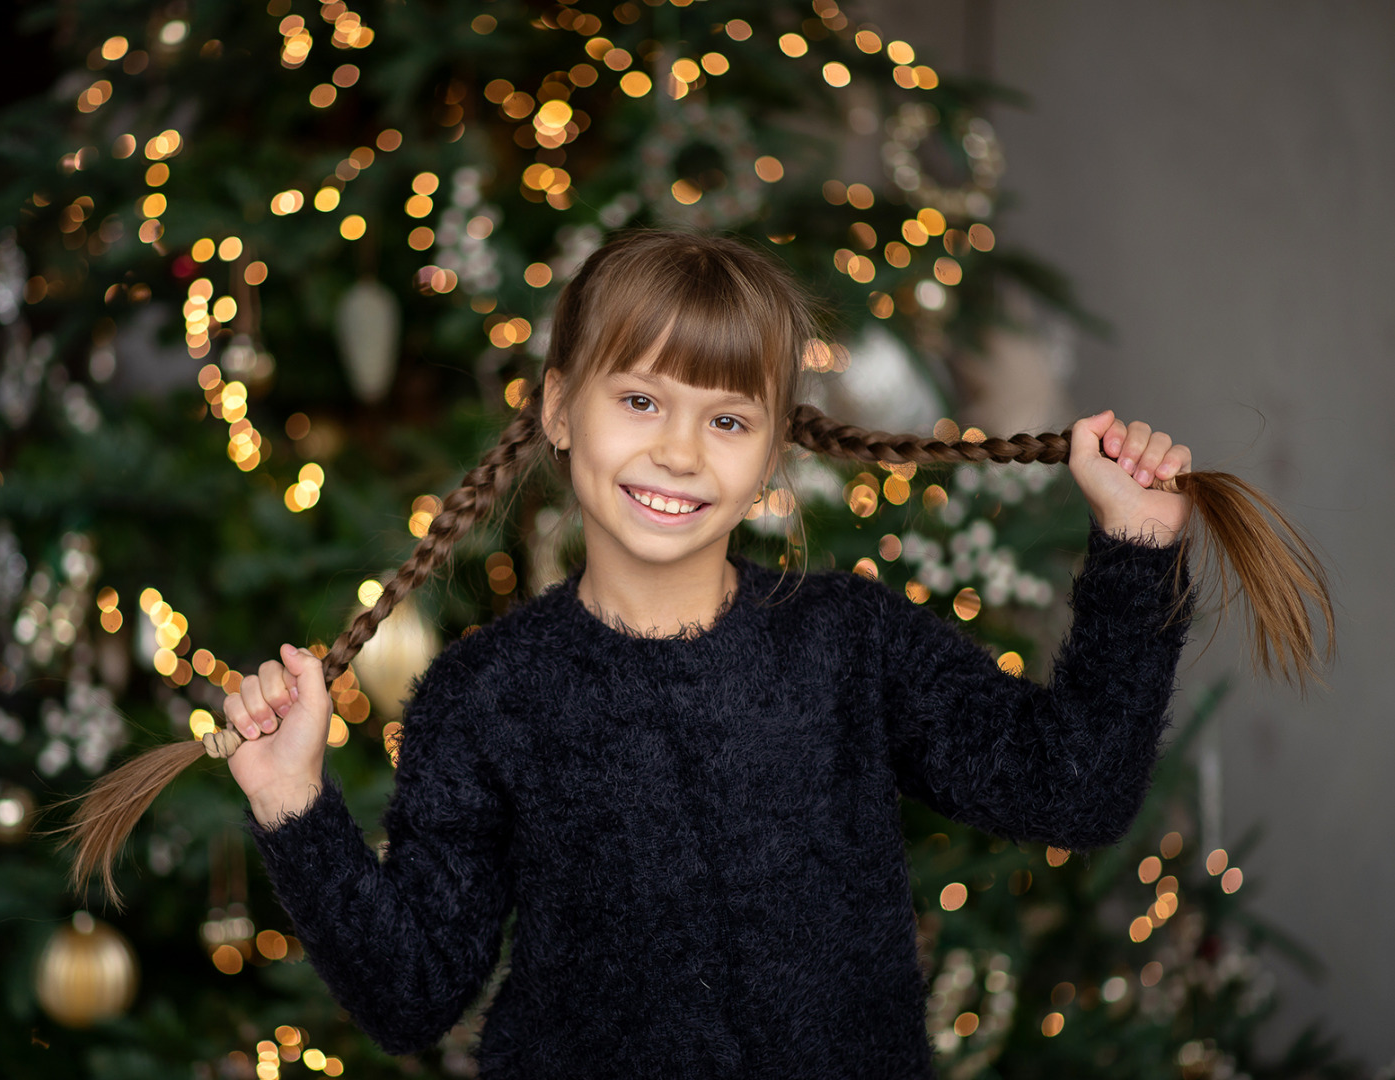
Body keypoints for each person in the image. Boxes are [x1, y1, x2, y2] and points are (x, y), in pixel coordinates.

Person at [222, 228, 1196, 1078]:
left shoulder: (850, 643)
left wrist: (1138, 551)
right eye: (640, 401)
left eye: (727, 419)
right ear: (560, 409)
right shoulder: (487, 697)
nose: (681, 452)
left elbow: (1077, 790)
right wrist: (291, 803)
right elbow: (412, 996)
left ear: (772, 451)